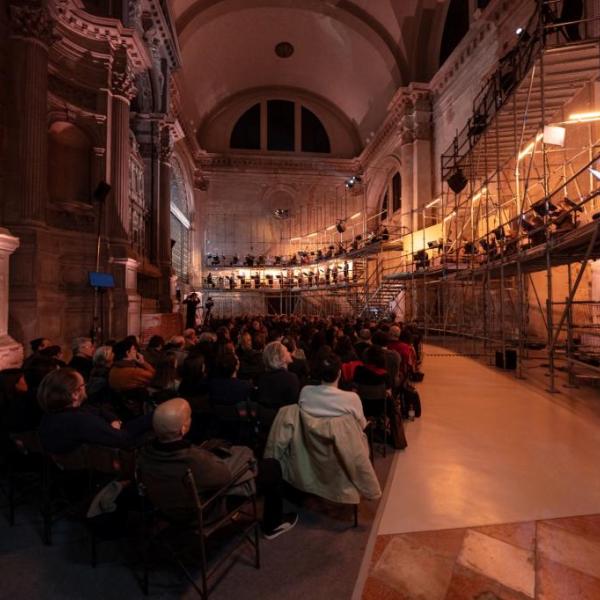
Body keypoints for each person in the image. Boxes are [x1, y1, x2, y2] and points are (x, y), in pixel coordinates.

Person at [138, 398, 297, 539]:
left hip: (166, 509)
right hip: (203, 511)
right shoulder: (193, 460)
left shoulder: (144, 455)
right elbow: (225, 478)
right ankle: (273, 525)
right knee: (272, 467)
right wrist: (242, 459)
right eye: (188, 418)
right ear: (183, 429)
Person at [38, 368, 153, 455]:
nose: (85, 388)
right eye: (83, 385)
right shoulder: (79, 420)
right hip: (101, 472)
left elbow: (98, 410)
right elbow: (124, 439)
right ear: (75, 394)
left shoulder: (50, 415)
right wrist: (155, 416)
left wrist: (113, 419)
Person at [298, 352, 366, 430]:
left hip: (311, 441)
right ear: (339, 373)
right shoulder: (352, 398)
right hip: (342, 441)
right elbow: (362, 426)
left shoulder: (306, 392)